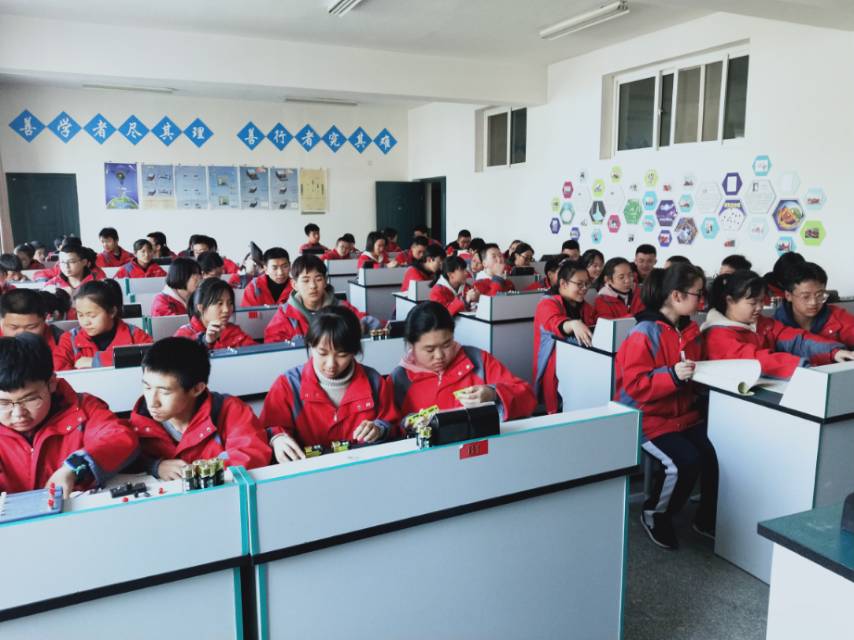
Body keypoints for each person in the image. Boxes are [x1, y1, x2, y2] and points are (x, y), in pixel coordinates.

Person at [614, 264, 717, 549]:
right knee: (684, 461)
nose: (702, 300)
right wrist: (671, 376)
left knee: (716, 452)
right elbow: (635, 385)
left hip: (684, 414)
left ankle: (705, 518)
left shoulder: (691, 330)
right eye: (698, 293)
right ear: (676, 295)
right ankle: (655, 514)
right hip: (647, 417)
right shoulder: (644, 333)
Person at [0, 334, 139, 495]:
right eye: (4, 403)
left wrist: (74, 467)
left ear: (51, 383)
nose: (18, 414)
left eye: (30, 399)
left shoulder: (84, 409)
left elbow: (120, 437)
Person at [262, 307, 399, 462]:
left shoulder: (374, 382)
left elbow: (393, 424)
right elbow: (267, 428)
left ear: (354, 351)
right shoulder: (288, 385)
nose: (331, 364)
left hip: (363, 467)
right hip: (307, 470)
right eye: (322, 353)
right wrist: (276, 438)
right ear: (311, 345)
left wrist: (380, 430)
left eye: (342, 355)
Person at [130, 337, 271, 477]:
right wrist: (155, 466)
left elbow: (251, 454)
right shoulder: (140, 422)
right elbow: (128, 461)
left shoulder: (231, 411)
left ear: (197, 389)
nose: (152, 402)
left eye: (164, 392)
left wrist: (195, 472)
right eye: (147, 387)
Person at [390, 302, 536, 421]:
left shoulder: (478, 361)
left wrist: (493, 394)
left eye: (447, 345)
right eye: (429, 350)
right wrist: (407, 424)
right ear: (411, 345)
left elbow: (527, 397)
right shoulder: (400, 379)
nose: (439, 355)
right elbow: (389, 427)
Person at [702, 270, 853, 379]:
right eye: (753, 303)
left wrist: (834, 352)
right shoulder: (717, 336)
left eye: (761, 301)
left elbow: (797, 340)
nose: (760, 307)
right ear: (729, 300)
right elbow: (758, 361)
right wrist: (802, 367)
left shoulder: (763, 324)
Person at [264, 255, 379, 344]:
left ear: (325, 281)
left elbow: (370, 323)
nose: (313, 286)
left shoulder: (342, 308)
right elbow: (273, 347)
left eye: (318, 279)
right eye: (306, 280)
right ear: (294, 284)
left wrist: (364, 326)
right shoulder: (285, 315)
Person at [532, 261, 598, 414]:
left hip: (579, 366)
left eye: (587, 284)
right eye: (579, 284)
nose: (584, 288)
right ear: (563, 283)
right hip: (553, 368)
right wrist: (573, 324)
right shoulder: (547, 303)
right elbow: (554, 323)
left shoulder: (585, 307)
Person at [53, 281, 153, 370]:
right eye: (80, 315)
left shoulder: (136, 336)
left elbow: (155, 360)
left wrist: (96, 362)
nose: (85, 322)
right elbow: (59, 371)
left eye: (92, 316)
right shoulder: (69, 339)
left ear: (112, 312)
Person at [774, 262, 854, 346]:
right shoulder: (774, 326)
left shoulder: (837, 316)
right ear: (788, 296)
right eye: (806, 297)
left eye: (819, 295)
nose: (814, 302)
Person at [175, 278, 255, 350]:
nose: (226, 309)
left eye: (230, 303)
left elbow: (255, 353)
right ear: (201, 308)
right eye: (220, 303)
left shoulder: (233, 331)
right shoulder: (184, 335)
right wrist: (206, 342)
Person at [0, 289, 65, 355]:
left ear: (45, 318)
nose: (22, 334)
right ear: (1, 321)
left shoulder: (62, 341)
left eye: (31, 327)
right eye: (13, 327)